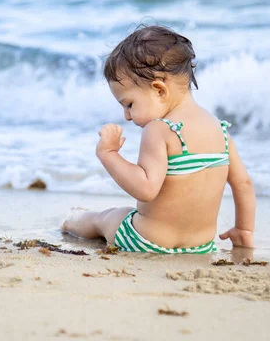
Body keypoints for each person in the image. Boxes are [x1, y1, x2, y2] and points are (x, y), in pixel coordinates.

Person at [62, 25, 255, 253]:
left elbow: (146, 188)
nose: (126, 116)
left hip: (147, 241)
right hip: (201, 246)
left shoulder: (160, 129)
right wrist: (244, 230)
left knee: (108, 218)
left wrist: (108, 154)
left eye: (129, 104)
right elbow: (243, 184)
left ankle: (72, 220)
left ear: (159, 90)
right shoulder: (220, 130)